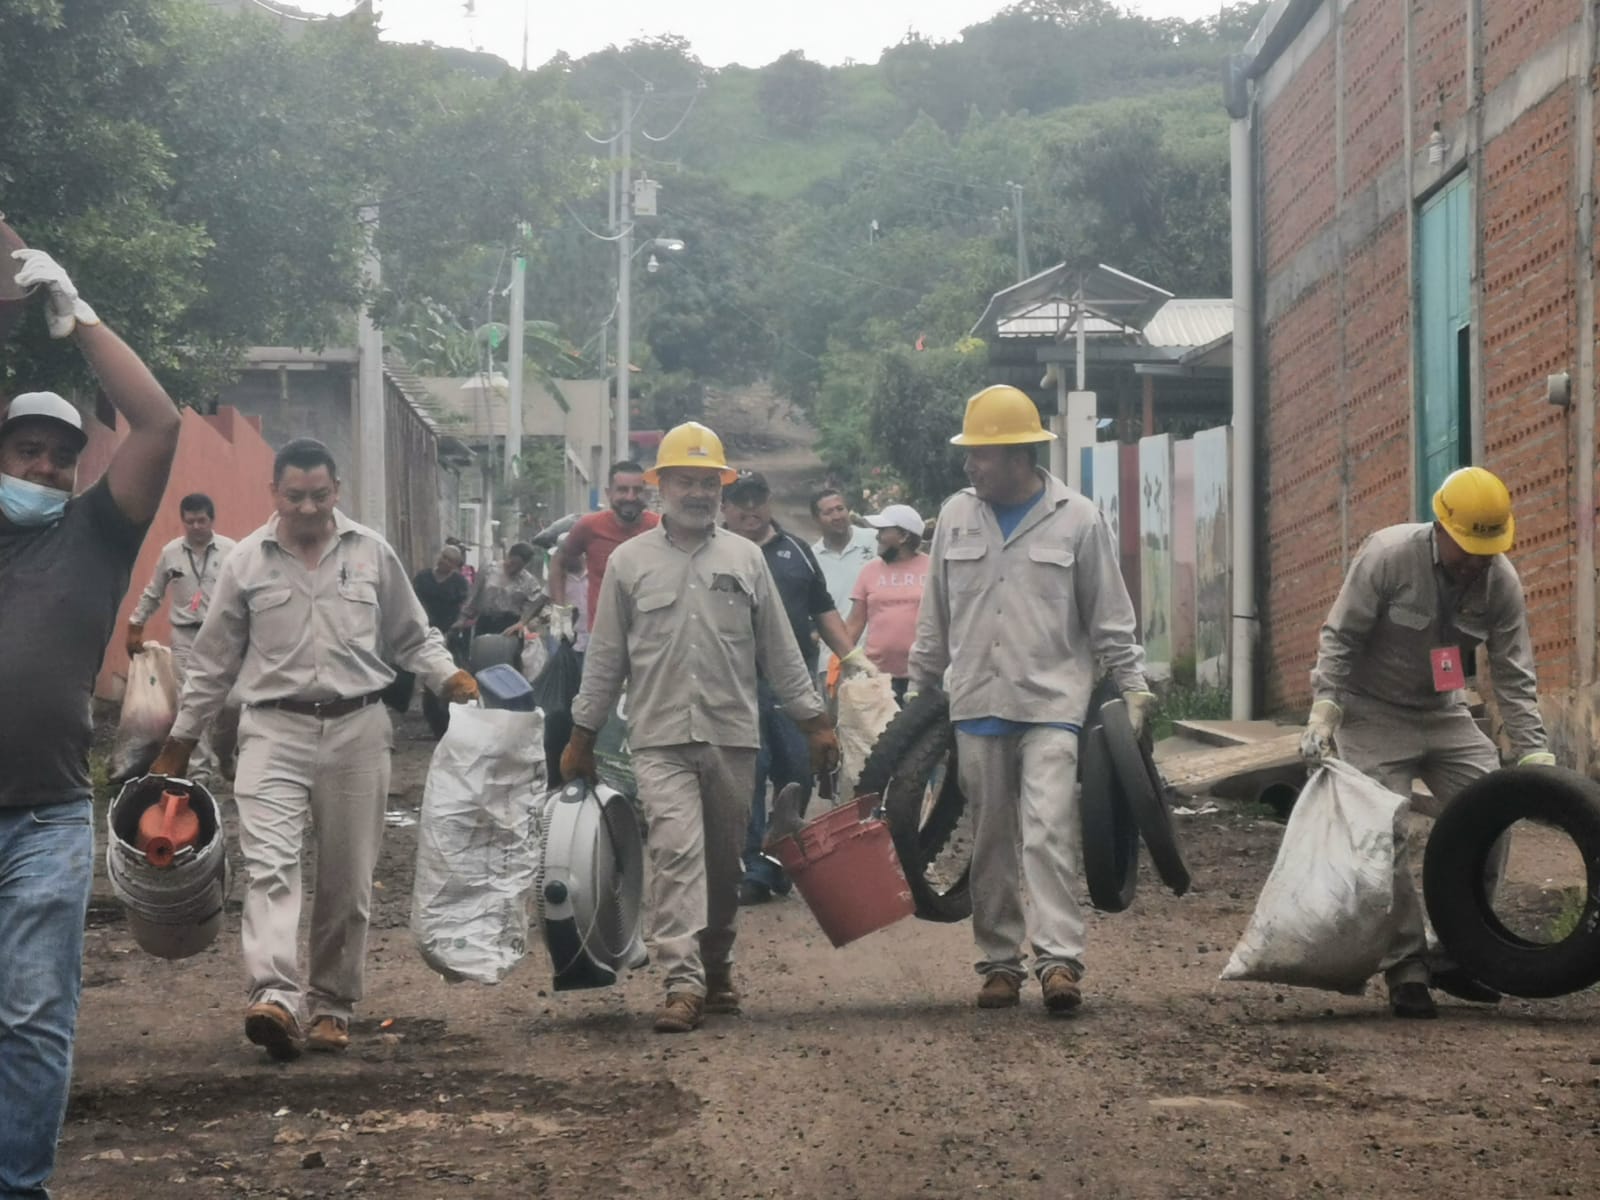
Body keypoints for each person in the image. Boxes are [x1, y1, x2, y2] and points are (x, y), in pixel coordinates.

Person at [149, 438, 479, 1061]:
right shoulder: (246, 562)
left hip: (359, 729)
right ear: (274, 493)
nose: (307, 508)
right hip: (273, 729)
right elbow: (213, 664)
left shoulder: (371, 552)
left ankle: (331, 1005)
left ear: (336, 492)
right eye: (295, 496)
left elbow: (412, 635)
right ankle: (275, 996)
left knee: (347, 879)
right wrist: (180, 741)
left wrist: (448, 677)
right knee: (270, 865)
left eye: (319, 496)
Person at [0, 247, 181, 1198]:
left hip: (46, 819)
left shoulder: (97, 533)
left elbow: (159, 423)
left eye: (61, 455)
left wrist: (79, 317)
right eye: (26, 450)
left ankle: (18, 1187)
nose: (44, 465)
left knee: (34, 1016)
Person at [560, 422, 838, 1035]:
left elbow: (781, 651)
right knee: (674, 851)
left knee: (724, 864)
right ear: (661, 487)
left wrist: (816, 724)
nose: (698, 492)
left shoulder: (746, 559)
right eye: (685, 481)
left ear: (721, 489)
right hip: (659, 737)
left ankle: (716, 965)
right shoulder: (630, 563)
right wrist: (582, 735)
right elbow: (605, 659)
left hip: (732, 736)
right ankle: (680, 981)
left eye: (709, 482)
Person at [908, 385, 1153, 1018]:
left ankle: (1058, 961)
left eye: (981, 455)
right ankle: (999, 963)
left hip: (1052, 707)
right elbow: (934, 616)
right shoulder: (955, 517)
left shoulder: (1078, 519)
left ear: (1020, 456)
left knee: (1048, 832)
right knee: (989, 839)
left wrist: (1133, 687)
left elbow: (1109, 616)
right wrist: (917, 694)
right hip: (976, 706)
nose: (970, 465)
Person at [1300, 465, 1555, 1019]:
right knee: (1382, 831)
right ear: (1440, 527)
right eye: (1468, 548)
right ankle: (1407, 967)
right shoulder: (1387, 556)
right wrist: (1326, 707)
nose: (1477, 561)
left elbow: (1513, 672)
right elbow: (1340, 637)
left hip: (1444, 711)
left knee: (1491, 810)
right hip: (1371, 712)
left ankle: (1459, 952)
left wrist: (1534, 751)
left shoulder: (1500, 582)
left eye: (1488, 550)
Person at [722, 471, 864, 904]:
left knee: (798, 771)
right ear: (725, 507)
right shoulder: (716, 551)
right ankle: (752, 869)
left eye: (757, 499)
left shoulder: (796, 552)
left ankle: (778, 857)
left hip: (793, 681)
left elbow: (823, 610)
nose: (750, 509)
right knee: (750, 772)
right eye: (740, 501)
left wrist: (854, 660)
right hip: (736, 682)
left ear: (769, 501)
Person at [126, 493, 239, 784]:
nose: (196, 526)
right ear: (183, 521)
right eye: (190, 521)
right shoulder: (171, 553)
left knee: (231, 704)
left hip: (222, 636)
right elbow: (153, 592)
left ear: (211, 520)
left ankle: (225, 754)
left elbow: (246, 592)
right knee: (191, 703)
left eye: (201, 520)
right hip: (185, 636)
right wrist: (136, 623)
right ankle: (199, 775)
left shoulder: (232, 551)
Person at [552, 459, 660, 632]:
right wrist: (560, 615)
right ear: (608, 493)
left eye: (637, 490)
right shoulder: (589, 526)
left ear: (646, 494)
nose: (630, 497)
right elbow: (558, 561)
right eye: (622, 490)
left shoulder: (660, 528)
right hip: (602, 635)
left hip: (649, 635)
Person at [845, 503, 931, 704]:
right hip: (877, 677)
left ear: (904, 536)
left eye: (883, 531)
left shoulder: (932, 568)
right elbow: (854, 623)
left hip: (924, 678)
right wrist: (841, 661)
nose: (877, 537)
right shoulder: (869, 571)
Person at [810, 488, 877, 618]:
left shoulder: (874, 540)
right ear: (816, 519)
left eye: (840, 509)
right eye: (828, 512)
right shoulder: (812, 559)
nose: (837, 516)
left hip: (876, 630)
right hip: (836, 631)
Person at [458, 541, 547, 637]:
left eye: (519, 567)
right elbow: (473, 596)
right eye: (512, 563)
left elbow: (538, 603)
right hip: (485, 622)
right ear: (508, 555)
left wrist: (533, 620)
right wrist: (463, 618)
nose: (513, 569)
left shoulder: (528, 581)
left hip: (510, 626)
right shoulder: (488, 570)